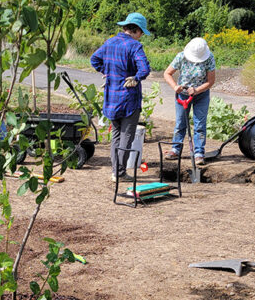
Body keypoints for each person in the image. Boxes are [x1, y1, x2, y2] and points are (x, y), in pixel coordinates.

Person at [90, 11, 151, 180]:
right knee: (126, 136)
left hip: (111, 97)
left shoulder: (109, 42)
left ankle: (115, 171)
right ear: (137, 31)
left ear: (125, 27)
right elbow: (144, 69)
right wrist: (136, 78)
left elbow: (94, 60)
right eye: (141, 33)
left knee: (116, 134)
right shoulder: (134, 46)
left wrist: (106, 72)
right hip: (129, 99)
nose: (140, 37)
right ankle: (120, 172)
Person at [163, 37, 216, 168]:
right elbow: (167, 73)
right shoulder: (181, 57)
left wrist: (197, 90)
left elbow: (210, 81)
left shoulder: (209, 59)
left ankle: (199, 153)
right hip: (183, 95)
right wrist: (176, 86)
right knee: (181, 121)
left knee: (199, 124)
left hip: (201, 94)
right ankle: (176, 149)